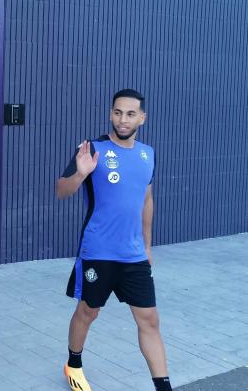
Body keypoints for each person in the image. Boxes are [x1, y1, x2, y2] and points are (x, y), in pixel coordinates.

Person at [57, 89, 172, 391]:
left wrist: (147, 246)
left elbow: (146, 201)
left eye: (131, 113)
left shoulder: (148, 154)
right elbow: (61, 190)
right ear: (111, 113)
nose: (123, 119)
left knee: (149, 319)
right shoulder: (91, 149)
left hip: (134, 255)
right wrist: (80, 175)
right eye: (118, 112)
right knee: (88, 311)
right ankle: (73, 364)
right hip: (98, 251)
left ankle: (163, 387)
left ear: (142, 118)